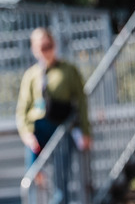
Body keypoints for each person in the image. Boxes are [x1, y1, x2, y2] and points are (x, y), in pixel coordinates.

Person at [17, 27, 91, 168]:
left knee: (61, 170)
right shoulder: (31, 74)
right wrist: (26, 133)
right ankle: (36, 178)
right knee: (33, 169)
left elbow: (81, 101)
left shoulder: (68, 70)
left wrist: (85, 131)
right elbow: (22, 109)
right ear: (35, 49)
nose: (46, 51)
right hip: (39, 127)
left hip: (61, 125)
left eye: (49, 46)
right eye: (42, 48)